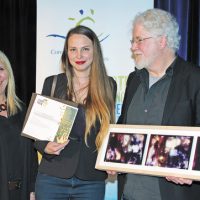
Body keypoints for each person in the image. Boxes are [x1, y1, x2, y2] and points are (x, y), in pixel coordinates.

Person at [118, 8, 200, 200]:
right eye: (133, 41)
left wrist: (192, 167)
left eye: (139, 40)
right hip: (130, 193)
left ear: (162, 41)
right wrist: (114, 157)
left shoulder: (195, 79)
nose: (133, 47)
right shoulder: (134, 79)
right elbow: (123, 126)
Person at [34, 25, 117, 200]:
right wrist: (45, 147)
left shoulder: (109, 85)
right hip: (52, 177)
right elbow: (39, 129)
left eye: (85, 49)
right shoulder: (53, 83)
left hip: (91, 180)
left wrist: (111, 158)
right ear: (66, 53)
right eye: (73, 49)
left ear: (95, 52)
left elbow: (109, 130)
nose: (79, 56)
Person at [0, 50, 38, 200]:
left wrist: (33, 189)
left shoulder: (23, 110)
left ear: (8, 73)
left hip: (21, 193)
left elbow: (33, 155)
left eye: (1, 69)